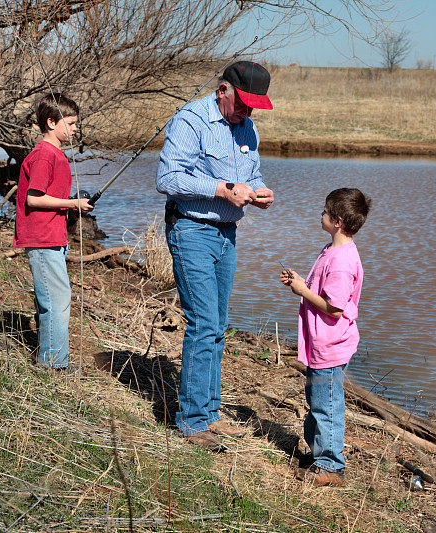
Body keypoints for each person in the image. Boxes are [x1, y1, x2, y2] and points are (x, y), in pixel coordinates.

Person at [156, 61, 275, 449]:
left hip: (227, 233)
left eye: (255, 106)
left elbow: (250, 174)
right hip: (191, 229)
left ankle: (209, 412)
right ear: (223, 90)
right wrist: (223, 189)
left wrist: (259, 192)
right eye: (243, 103)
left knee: (218, 325)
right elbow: (168, 179)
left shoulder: (248, 126)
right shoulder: (191, 120)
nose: (248, 111)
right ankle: (192, 423)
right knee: (204, 322)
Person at [280, 188, 371, 487]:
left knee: (327, 406)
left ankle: (331, 466)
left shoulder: (343, 261)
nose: (321, 214)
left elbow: (334, 308)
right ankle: (319, 455)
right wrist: (301, 283)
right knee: (317, 401)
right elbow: (323, 290)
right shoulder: (330, 250)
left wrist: (303, 292)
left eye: (325, 211)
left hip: (330, 346)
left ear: (338, 222)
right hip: (322, 344)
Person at [14, 93, 94, 370]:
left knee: (51, 298)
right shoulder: (44, 155)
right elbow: (33, 199)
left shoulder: (55, 154)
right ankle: (53, 364)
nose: (75, 129)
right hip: (43, 238)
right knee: (57, 300)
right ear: (51, 122)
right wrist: (73, 202)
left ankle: (51, 358)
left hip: (54, 236)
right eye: (70, 123)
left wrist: (73, 207)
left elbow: (48, 197)